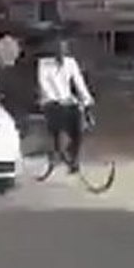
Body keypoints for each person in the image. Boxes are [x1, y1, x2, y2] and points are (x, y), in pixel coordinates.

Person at [37, 37, 94, 173]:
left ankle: (74, 157)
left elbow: (79, 82)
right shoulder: (44, 64)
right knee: (59, 121)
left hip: (67, 101)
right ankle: (59, 151)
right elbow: (44, 84)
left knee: (78, 124)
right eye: (58, 52)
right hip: (50, 102)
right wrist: (56, 99)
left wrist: (87, 99)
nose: (61, 55)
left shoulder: (71, 63)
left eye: (63, 52)